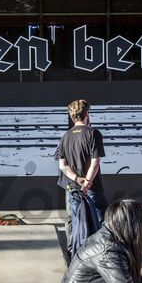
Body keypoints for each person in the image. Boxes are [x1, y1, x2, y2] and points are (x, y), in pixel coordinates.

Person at [57, 99, 108, 253]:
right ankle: (98, 254)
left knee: (73, 221)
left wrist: (78, 180)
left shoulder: (65, 137)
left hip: (71, 187)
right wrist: (87, 182)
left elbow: (63, 166)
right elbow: (95, 163)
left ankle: (74, 256)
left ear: (72, 116)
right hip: (93, 187)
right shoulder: (93, 133)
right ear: (87, 114)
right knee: (102, 221)